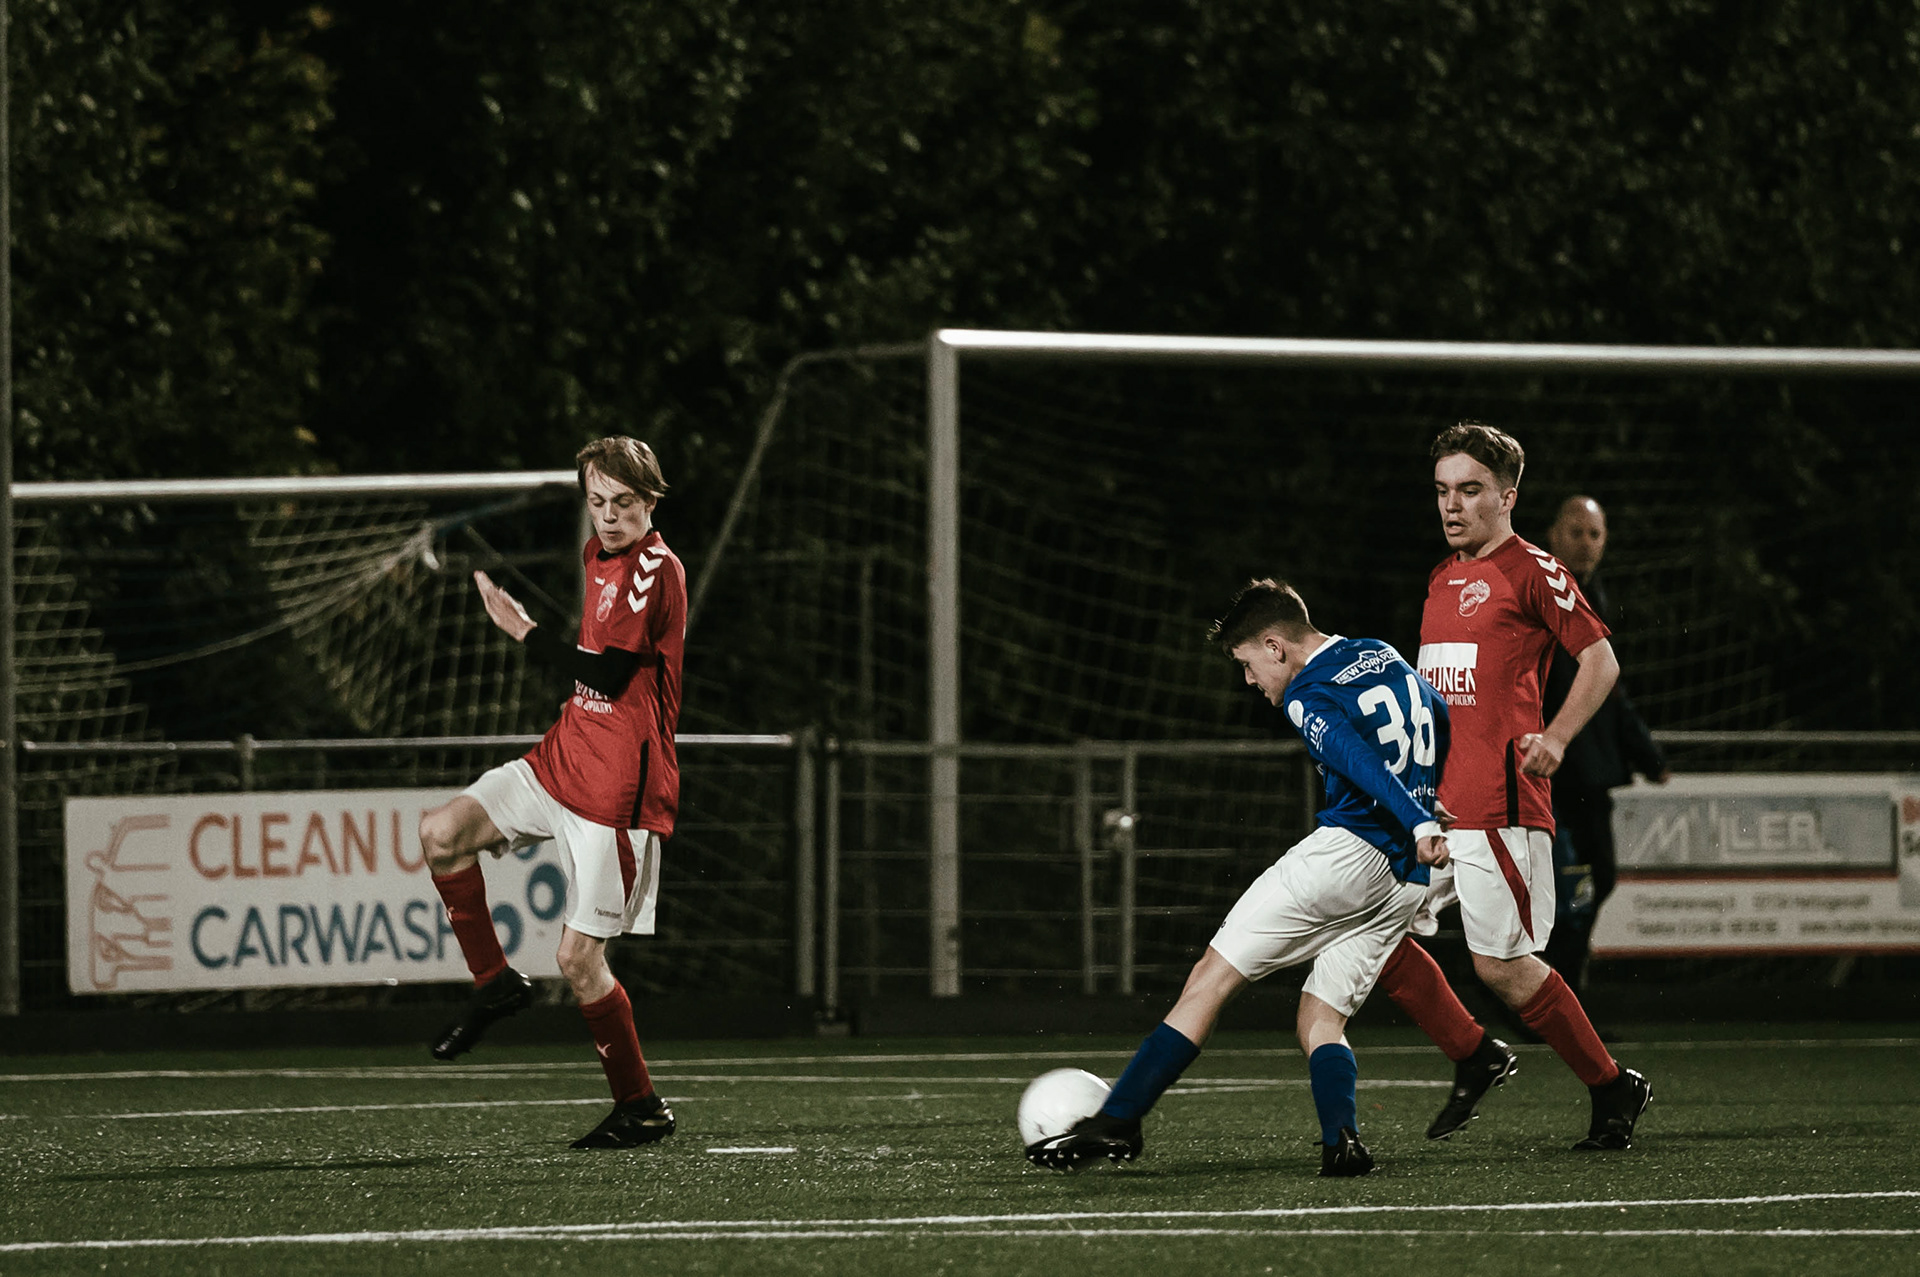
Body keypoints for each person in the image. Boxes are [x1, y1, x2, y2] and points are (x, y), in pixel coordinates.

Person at [1027, 579, 1451, 1177]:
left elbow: (1354, 757)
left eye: (1248, 664)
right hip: (1405, 878)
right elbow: (1437, 711)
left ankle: (1118, 1118)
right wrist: (1426, 794)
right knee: (1322, 1015)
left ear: (1276, 646)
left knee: (1211, 977)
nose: (1250, 680)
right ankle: (1342, 1141)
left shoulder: (1307, 691)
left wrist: (1416, 816)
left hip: (1349, 858)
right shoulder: (1378, 652)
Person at [1377, 422, 1652, 1152]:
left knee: (1501, 966)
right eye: (1443, 490)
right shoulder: (1441, 578)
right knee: (1370, 931)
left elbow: (1601, 660)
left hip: (1500, 808)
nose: (1452, 504)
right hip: (1434, 812)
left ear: (1507, 496)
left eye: (1470, 489)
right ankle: (1474, 1053)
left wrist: (1556, 737)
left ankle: (1610, 1084)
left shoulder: (1534, 570)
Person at [417, 436, 686, 1150]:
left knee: (578, 961)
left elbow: (611, 677)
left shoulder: (655, 569)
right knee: (441, 833)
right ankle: (495, 982)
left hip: (619, 790)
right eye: (596, 501)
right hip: (563, 757)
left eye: (623, 502)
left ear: (649, 501)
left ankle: (641, 1106)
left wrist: (525, 631)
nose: (608, 516)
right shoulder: (597, 553)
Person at [1539, 496, 1670, 991]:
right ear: (1553, 536)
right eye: (1576, 532)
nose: (1586, 543)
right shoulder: (1543, 594)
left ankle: (1559, 996)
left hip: (1586, 773)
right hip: (1550, 772)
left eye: (1594, 534)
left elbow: (1609, 691)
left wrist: (1646, 753)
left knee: (1596, 880)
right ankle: (1542, 997)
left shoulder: (1595, 596)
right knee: (1565, 888)